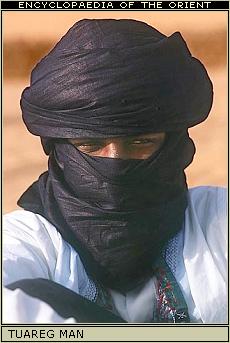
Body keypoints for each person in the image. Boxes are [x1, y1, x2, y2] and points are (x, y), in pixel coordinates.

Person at [3, 18, 227, 324]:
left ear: (174, 143)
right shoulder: (28, 241)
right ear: (58, 149)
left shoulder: (216, 222)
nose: (115, 162)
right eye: (91, 145)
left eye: (140, 142)